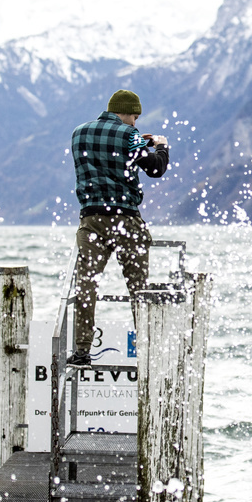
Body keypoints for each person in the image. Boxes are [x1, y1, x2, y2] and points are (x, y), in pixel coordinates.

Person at [69, 89, 169, 366]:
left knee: (86, 285)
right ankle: (147, 349)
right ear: (125, 111)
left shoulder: (78, 133)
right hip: (126, 219)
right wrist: (160, 146)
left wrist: (134, 142)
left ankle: (82, 351)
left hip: (91, 219)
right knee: (138, 288)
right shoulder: (129, 135)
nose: (135, 123)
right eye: (134, 117)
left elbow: (104, 158)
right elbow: (155, 169)